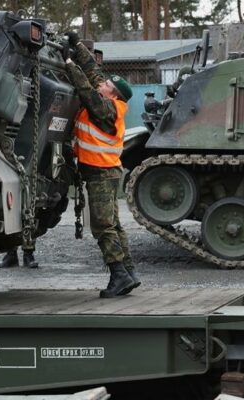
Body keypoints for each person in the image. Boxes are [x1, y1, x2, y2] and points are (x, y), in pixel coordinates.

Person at [60, 32, 140, 298]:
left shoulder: (107, 109)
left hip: (101, 173)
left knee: (103, 226)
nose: (101, 83)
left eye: (106, 84)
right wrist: (77, 46)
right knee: (114, 224)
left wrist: (68, 64)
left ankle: (118, 275)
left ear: (113, 93)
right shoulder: (109, 98)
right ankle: (129, 273)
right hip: (106, 172)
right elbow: (93, 72)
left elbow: (85, 90)